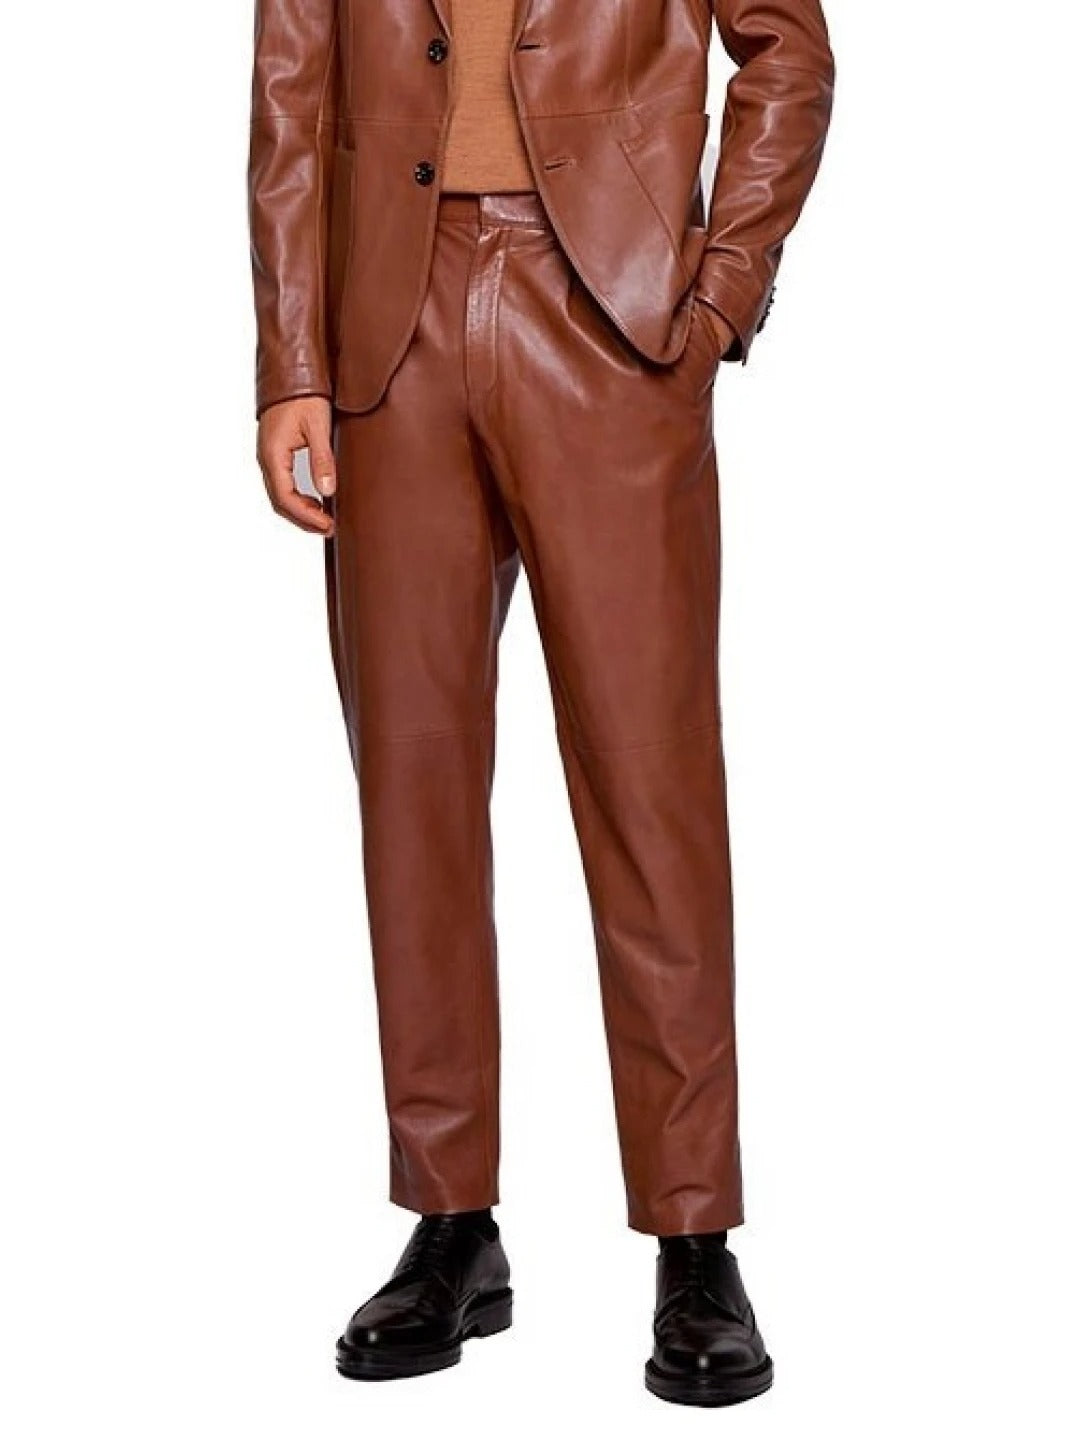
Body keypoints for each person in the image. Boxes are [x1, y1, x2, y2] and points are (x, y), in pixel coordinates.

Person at [248, 0, 833, 1407]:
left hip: (614, 320)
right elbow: (289, 88)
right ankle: (450, 1220)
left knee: (651, 788)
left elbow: (789, 49)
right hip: (387, 329)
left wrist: (723, 287)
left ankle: (694, 1236)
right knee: (415, 792)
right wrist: (291, 365)